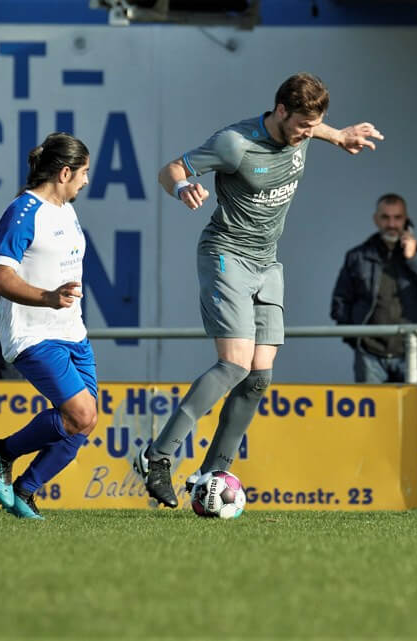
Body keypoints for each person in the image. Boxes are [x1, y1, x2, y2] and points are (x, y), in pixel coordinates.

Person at [137, 72, 384, 508]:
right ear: (281, 112)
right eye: (303, 126)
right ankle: (157, 457)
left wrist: (338, 135)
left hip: (268, 263)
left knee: (259, 376)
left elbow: (316, 128)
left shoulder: (301, 133)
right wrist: (181, 187)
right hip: (226, 253)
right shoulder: (235, 143)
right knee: (233, 364)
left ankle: (213, 471)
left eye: (315, 126)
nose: (307, 134)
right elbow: (170, 169)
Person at [0, 133, 97, 520]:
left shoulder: (66, 209)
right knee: (79, 415)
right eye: (82, 173)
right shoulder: (22, 211)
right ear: (65, 172)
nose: (85, 181)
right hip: (33, 333)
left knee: (86, 422)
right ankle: (2, 451)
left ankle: (25, 492)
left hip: (72, 331)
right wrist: (48, 297)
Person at [330, 193, 417, 382]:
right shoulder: (358, 256)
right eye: (385, 217)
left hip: (410, 350)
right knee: (371, 410)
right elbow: (340, 301)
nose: (391, 224)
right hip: (370, 353)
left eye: (397, 218)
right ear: (376, 220)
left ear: (406, 220)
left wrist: (413, 258)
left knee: (407, 411)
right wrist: (355, 338)